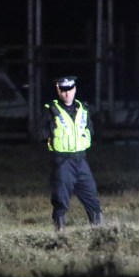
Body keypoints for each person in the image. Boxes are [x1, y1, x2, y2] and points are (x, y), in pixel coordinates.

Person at [40, 75, 102, 231]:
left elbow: (91, 130)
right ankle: (59, 235)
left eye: (70, 89)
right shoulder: (51, 110)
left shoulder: (83, 108)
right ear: (58, 91)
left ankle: (99, 233)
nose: (67, 94)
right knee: (61, 201)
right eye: (63, 90)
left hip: (81, 161)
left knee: (92, 199)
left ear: (74, 89)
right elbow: (40, 133)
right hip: (62, 162)